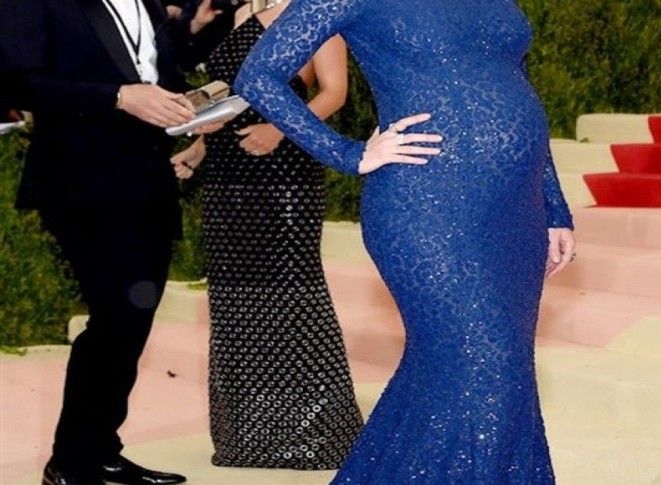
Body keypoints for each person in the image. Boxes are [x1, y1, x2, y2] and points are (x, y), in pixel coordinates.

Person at [234, 0, 577, 482]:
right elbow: (258, 76)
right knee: (488, 362)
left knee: (488, 369)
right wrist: (348, 153)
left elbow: (517, 86)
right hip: (425, 205)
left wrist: (554, 206)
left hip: (515, 212)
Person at [0, 0, 198, 483]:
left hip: (148, 180)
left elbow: (157, 74)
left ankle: (101, 449)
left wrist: (192, 109)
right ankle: (70, 462)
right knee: (116, 317)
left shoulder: (149, 2)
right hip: (80, 182)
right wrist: (118, 97)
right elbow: (17, 84)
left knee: (134, 320)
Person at [169, 0, 363, 469]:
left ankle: (318, 434)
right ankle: (249, 436)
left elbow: (334, 93)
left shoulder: (313, 14)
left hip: (285, 172)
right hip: (226, 174)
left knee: (293, 295)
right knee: (235, 299)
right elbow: (229, 97)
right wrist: (198, 147)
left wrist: (279, 130)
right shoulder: (235, 17)